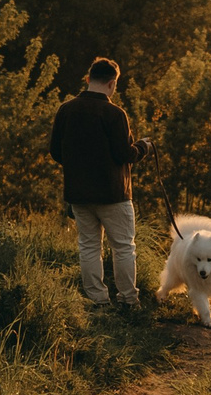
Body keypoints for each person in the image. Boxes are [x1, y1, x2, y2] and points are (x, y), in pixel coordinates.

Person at [49, 57, 153, 311]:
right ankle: (128, 300)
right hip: (113, 194)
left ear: (87, 80)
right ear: (111, 83)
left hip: (79, 194)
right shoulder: (115, 114)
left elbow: (55, 151)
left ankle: (98, 301)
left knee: (89, 247)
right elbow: (124, 155)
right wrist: (143, 146)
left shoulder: (66, 109)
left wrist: (78, 167)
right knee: (123, 248)